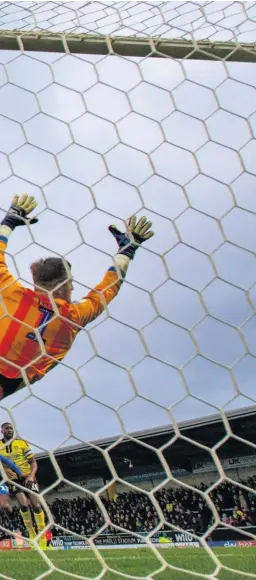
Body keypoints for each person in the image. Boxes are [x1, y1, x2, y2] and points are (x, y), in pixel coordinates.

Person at [0, 195, 154, 399]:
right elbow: (109, 287)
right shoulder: (74, 316)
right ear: (64, 285)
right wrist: (127, 251)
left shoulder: (12, 293)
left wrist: (9, 221)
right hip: (13, 379)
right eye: (72, 282)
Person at [0, 422, 46, 548]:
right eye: (7, 428)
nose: (9, 430)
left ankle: (42, 536)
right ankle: (31, 534)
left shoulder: (21, 443)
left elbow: (33, 462)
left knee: (36, 506)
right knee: (24, 505)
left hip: (27, 477)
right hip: (13, 480)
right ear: (1, 431)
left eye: (11, 428)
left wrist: (31, 476)